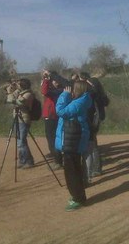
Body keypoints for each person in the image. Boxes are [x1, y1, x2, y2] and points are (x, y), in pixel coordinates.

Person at [55, 81, 92, 211]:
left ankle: (77, 198)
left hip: (72, 140)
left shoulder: (78, 102)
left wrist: (64, 95)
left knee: (71, 172)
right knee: (74, 169)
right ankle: (79, 196)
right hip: (73, 138)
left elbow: (61, 111)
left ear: (77, 90)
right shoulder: (82, 99)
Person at [79, 72, 109, 184]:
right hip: (95, 120)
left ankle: (95, 169)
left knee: (92, 146)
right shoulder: (98, 93)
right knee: (93, 145)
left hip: (92, 122)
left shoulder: (93, 93)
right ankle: (97, 168)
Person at [6, 78, 35, 169]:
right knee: (20, 141)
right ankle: (24, 160)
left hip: (23, 119)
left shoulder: (28, 94)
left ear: (23, 85)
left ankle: (28, 162)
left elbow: (15, 101)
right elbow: (10, 99)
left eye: (19, 84)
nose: (17, 86)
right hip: (18, 119)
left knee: (21, 142)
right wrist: (12, 89)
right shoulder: (21, 93)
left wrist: (10, 93)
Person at [41, 70, 63, 170]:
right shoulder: (57, 89)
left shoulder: (58, 90)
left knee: (52, 139)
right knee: (53, 139)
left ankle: (58, 161)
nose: (54, 82)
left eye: (55, 80)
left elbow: (44, 91)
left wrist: (46, 80)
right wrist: (45, 79)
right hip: (51, 116)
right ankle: (57, 159)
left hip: (52, 117)